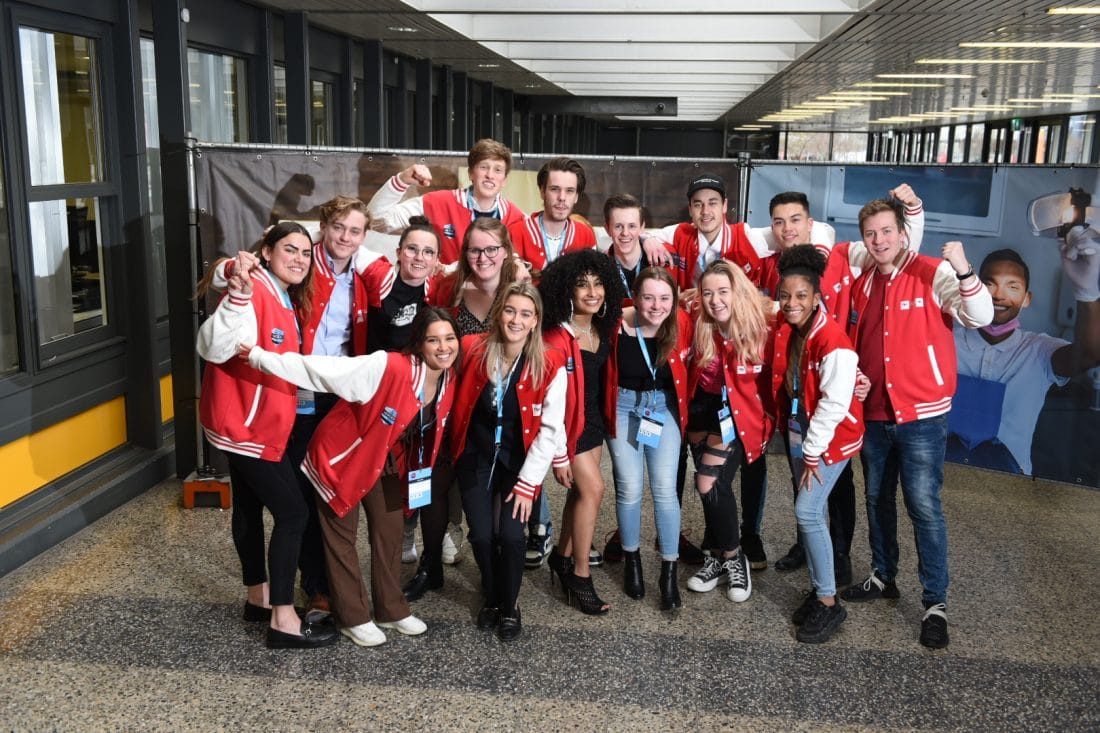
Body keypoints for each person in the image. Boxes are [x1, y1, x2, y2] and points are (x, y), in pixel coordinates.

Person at [245, 307, 459, 648]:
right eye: (433, 339)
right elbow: (323, 369)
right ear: (418, 343)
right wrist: (260, 357)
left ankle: (391, 608)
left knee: (389, 530)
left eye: (449, 338)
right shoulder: (388, 366)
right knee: (341, 538)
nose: (443, 347)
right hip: (342, 458)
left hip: (386, 459)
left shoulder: (448, 378)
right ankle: (353, 617)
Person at [840, 198, 993, 650]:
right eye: (871, 234)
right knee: (876, 500)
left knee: (923, 507)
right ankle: (883, 575)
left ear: (904, 233)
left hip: (923, 416)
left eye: (887, 231)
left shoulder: (933, 272)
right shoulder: (864, 279)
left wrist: (964, 269)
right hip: (874, 416)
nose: (879, 240)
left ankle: (934, 603)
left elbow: (979, 317)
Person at [216, 195, 378, 618]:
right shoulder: (295, 268)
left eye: (355, 230)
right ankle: (308, 590)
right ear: (324, 228)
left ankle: (284, 591)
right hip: (282, 396)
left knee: (315, 497)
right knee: (289, 501)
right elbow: (232, 276)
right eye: (338, 227)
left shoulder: (364, 272)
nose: (345, 237)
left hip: (333, 394)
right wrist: (230, 269)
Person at [766, 186, 922, 585]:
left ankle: (838, 554)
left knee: (837, 483)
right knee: (801, 476)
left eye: (795, 219)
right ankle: (807, 545)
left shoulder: (841, 256)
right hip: (798, 400)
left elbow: (896, 250)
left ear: (811, 222)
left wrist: (913, 211)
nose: (788, 228)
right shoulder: (776, 268)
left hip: (835, 389)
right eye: (780, 221)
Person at [195, 222, 337, 649]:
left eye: (305, 253)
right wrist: (232, 280)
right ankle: (282, 618)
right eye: (289, 250)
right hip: (245, 427)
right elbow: (213, 346)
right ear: (267, 252)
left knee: (250, 505)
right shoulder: (254, 287)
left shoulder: (282, 294)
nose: (299, 259)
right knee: (294, 514)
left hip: (244, 424)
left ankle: (257, 597)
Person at [401, 217, 522, 602]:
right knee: (437, 485)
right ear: (464, 253)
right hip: (452, 402)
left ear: (505, 252)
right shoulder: (448, 287)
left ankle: (498, 571)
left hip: (501, 414)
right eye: (474, 249)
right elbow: (430, 335)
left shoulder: (519, 290)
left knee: (493, 503)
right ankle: (430, 565)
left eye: (491, 249)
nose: (483, 257)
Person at [448, 282, 568, 641]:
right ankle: (493, 594)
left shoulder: (548, 363)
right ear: (499, 312)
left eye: (526, 314)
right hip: (476, 455)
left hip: (520, 460)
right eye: (510, 310)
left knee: (513, 536)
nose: (516, 319)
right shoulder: (472, 349)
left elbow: (550, 428)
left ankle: (511, 603)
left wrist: (529, 483)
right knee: (483, 536)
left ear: (535, 321)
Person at [769, 246, 864, 644]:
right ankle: (819, 584)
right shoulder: (791, 327)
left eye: (801, 297)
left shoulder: (833, 341)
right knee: (814, 513)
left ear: (817, 297)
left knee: (807, 511)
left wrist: (811, 452)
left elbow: (835, 404)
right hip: (800, 427)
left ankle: (828, 602)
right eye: (786, 296)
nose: (792, 303)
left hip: (828, 437)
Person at [950, 238, 1100, 475]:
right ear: (973, 289)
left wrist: (1087, 292)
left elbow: (1089, 355)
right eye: (989, 284)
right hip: (943, 471)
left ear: (1027, 299)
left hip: (1009, 483)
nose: (999, 295)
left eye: (1013, 286)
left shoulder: (1038, 350)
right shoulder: (946, 341)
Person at [539, 250, 626, 614]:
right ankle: (580, 575)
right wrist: (558, 450)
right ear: (565, 292)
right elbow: (548, 400)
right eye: (581, 285)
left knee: (580, 493)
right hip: (568, 426)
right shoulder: (557, 337)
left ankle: (561, 557)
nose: (591, 292)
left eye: (598, 283)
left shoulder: (600, 326)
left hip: (592, 422)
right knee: (595, 489)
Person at [683, 259, 774, 604]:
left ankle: (736, 559)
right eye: (708, 293)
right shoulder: (697, 318)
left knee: (708, 481)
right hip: (701, 409)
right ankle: (717, 558)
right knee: (711, 490)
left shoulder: (764, 324)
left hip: (739, 413)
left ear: (738, 291)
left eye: (723, 292)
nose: (715, 300)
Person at [604, 268, 693, 611]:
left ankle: (668, 572)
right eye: (648, 297)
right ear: (636, 296)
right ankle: (633, 562)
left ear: (675, 298)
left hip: (662, 410)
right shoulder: (615, 324)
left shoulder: (682, 324)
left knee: (664, 489)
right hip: (624, 407)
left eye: (665, 298)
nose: (656, 306)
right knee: (628, 487)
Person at [367, 139, 525, 264]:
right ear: (470, 173)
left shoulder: (516, 217)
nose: (490, 175)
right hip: (444, 301)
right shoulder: (437, 203)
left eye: (498, 170)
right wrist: (401, 181)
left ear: (504, 180)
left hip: (495, 302)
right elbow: (377, 220)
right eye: (483, 167)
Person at [510, 157, 597, 275]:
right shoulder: (515, 233)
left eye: (569, 191)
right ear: (542, 191)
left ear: (576, 196)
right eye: (555, 189)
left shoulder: (586, 235)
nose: (562, 197)